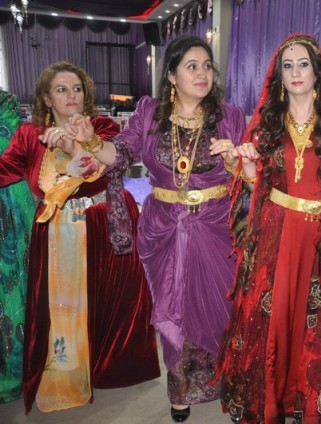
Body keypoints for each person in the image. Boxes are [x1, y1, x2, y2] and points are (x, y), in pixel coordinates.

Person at [76, 35, 246, 423]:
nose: (202, 74)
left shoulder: (230, 117)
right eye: (192, 66)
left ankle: (228, 380)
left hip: (217, 226)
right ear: (171, 75)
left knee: (220, 308)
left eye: (207, 66)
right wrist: (90, 141)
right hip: (165, 228)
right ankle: (181, 390)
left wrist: (236, 162)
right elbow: (119, 153)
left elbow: (247, 174)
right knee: (175, 309)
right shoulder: (150, 113)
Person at [214, 33, 321, 423]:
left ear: (317, 72)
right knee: (272, 318)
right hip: (275, 232)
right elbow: (254, 186)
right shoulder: (266, 124)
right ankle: (271, 401)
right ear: (279, 75)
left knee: (314, 319)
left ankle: (303, 400)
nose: (296, 72)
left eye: (303, 64)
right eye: (288, 65)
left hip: (318, 236)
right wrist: (245, 164)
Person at [0, 62, 160, 413]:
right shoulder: (29, 136)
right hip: (56, 231)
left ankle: (107, 367)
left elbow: (101, 169)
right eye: (61, 90)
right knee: (62, 309)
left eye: (77, 89)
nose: (71, 95)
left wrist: (76, 144)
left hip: (102, 223)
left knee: (106, 303)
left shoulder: (100, 127)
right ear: (46, 98)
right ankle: (68, 372)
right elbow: (5, 169)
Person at [0, 90, 36, 404]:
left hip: (9, 207)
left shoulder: (5, 103)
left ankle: (15, 367)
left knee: (12, 285)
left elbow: (12, 154)